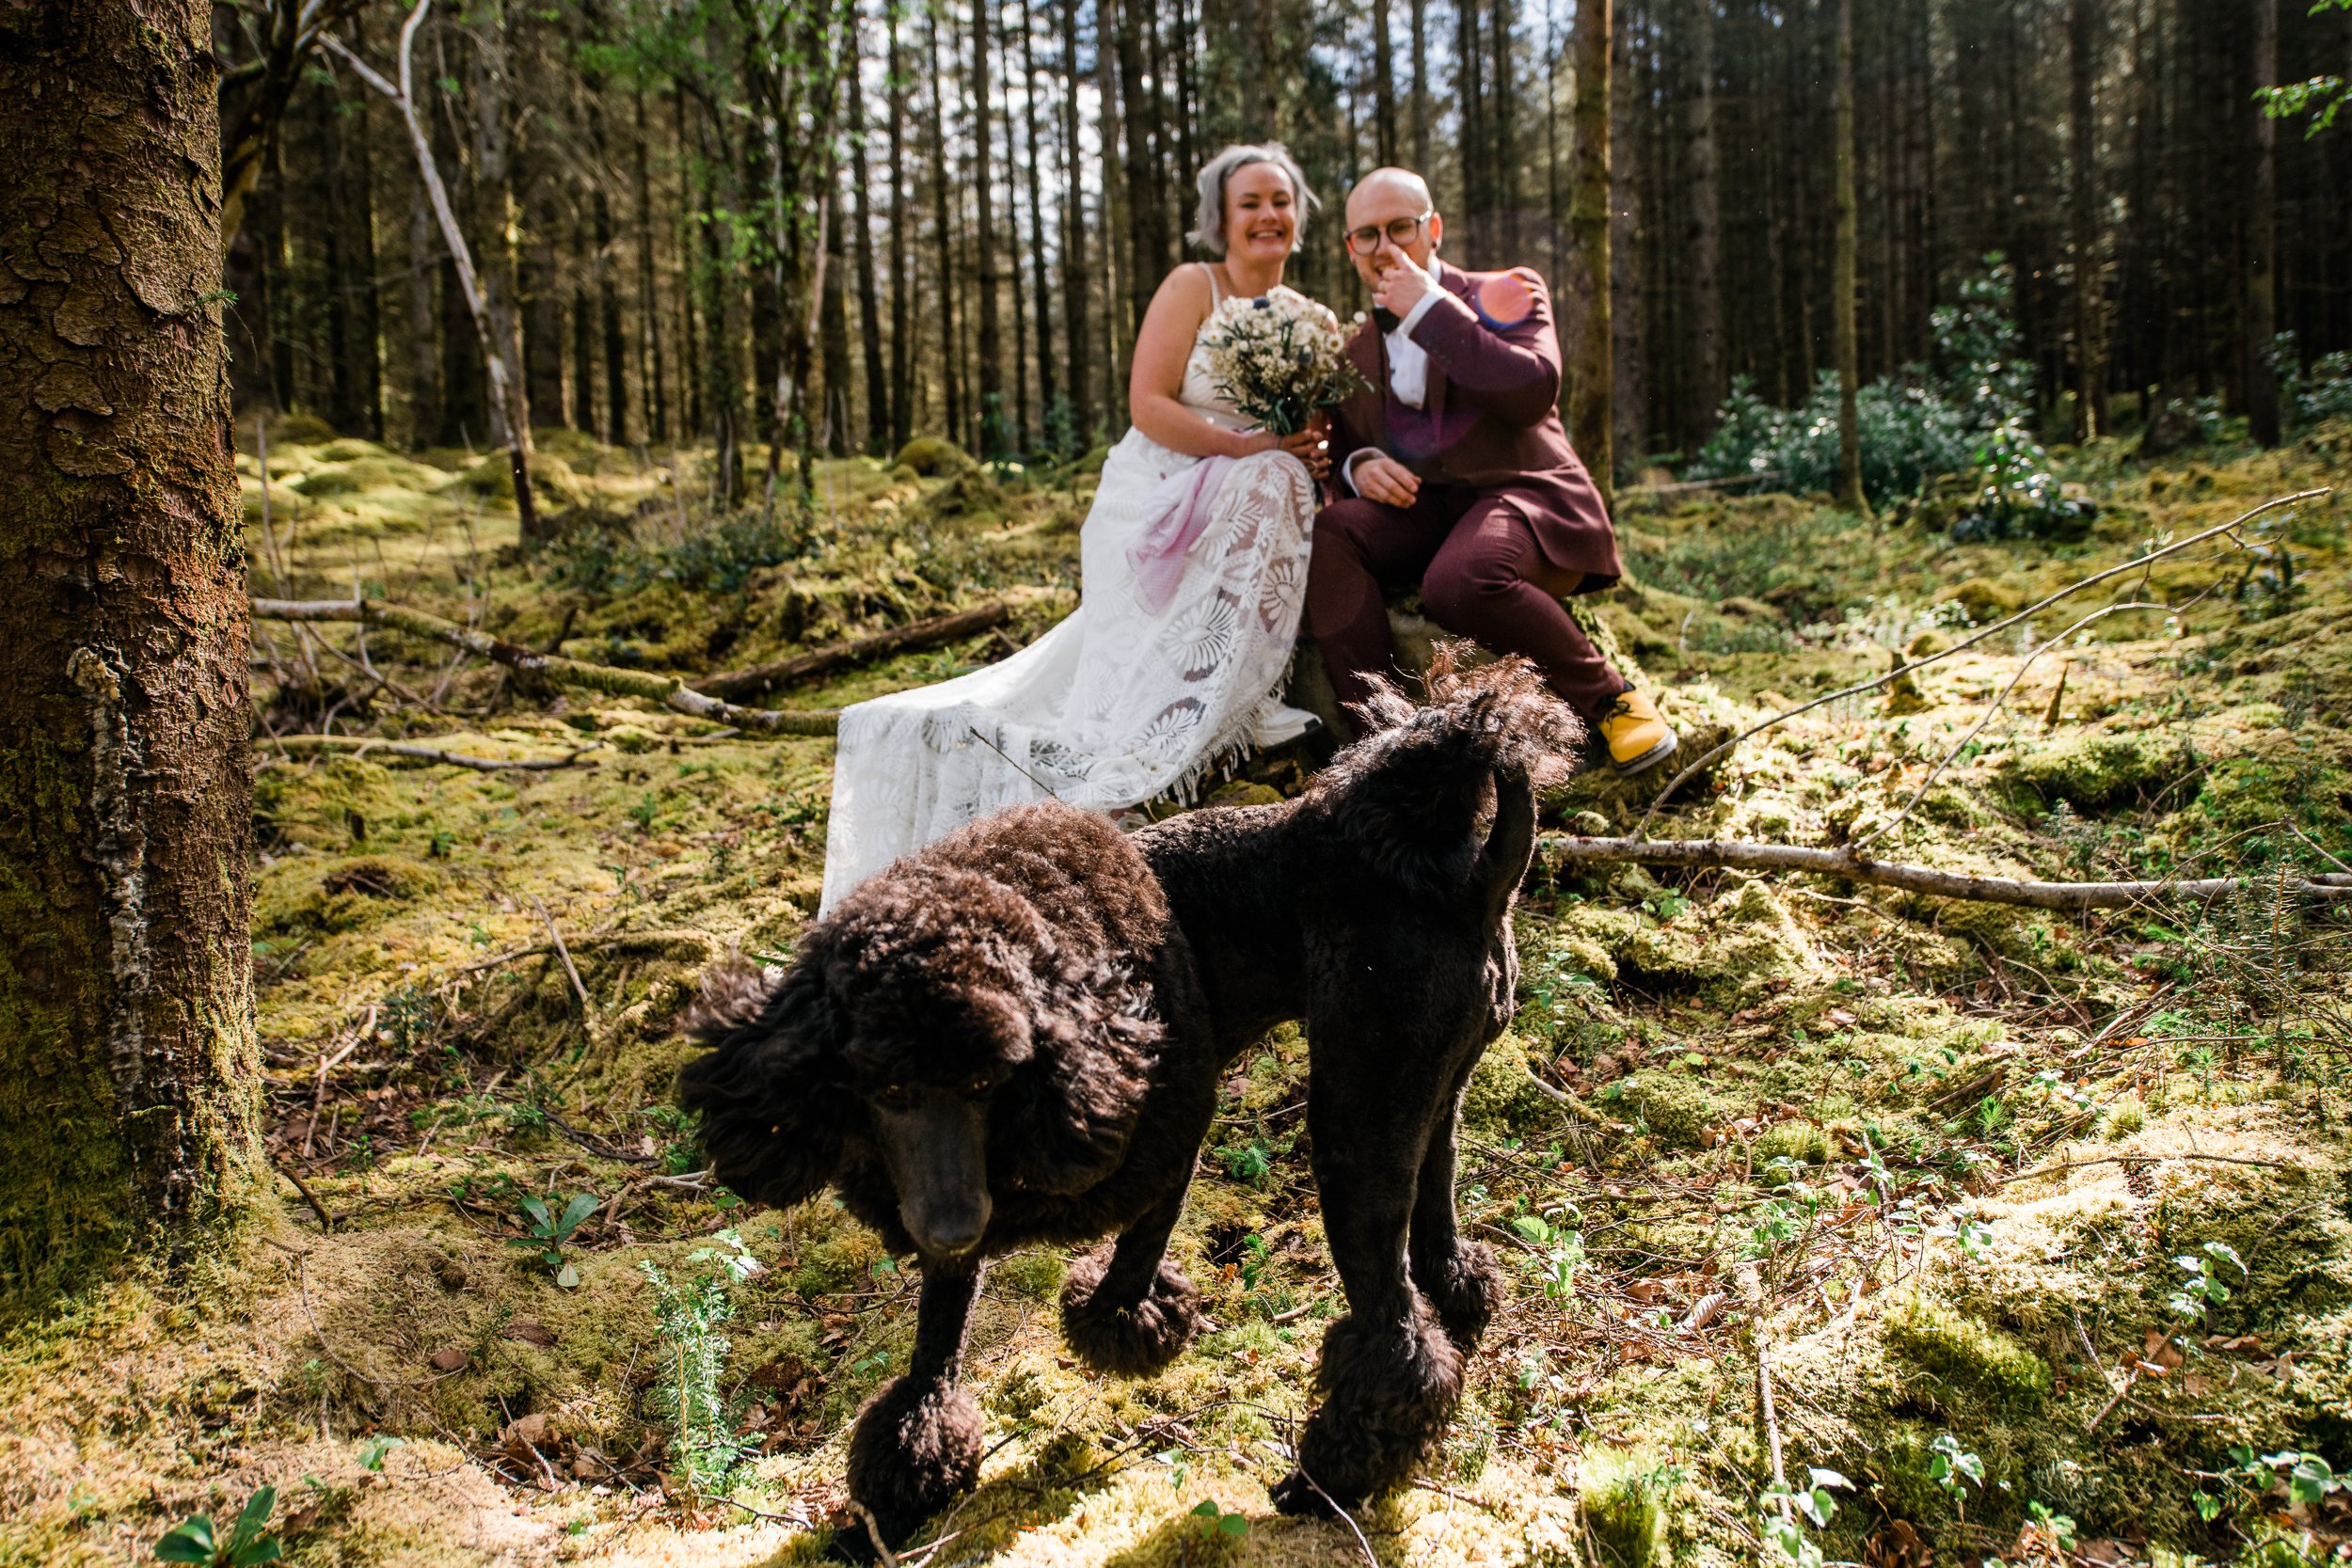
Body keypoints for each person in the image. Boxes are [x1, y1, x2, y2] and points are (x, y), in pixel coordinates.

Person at [819, 144, 1334, 915]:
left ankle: (1247, 691)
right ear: (1220, 220)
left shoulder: (1314, 321)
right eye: (1250, 203)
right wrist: (1243, 447)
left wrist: (1300, 447)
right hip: (1160, 481)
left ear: (1299, 217)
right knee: (1270, 474)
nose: (1268, 216)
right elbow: (1149, 402)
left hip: (1253, 486)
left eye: (1280, 201)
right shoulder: (1194, 287)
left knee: (1284, 479)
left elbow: (1314, 430)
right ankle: (1177, 721)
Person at [1309, 166, 1679, 774]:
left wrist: (1428, 309)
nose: (1384, 249)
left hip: (1523, 494)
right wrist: (1359, 464)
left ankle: (1614, 702)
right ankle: (1382, 743)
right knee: (1335, 533)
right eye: (1366, 236)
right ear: (1350, 248)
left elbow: (1533, 389)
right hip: (1427, 507)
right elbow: (1343, 442)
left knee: (1460, 581)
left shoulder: (1507, 289)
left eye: (1399, 228)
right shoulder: (1353, 349)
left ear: (1433, 228)